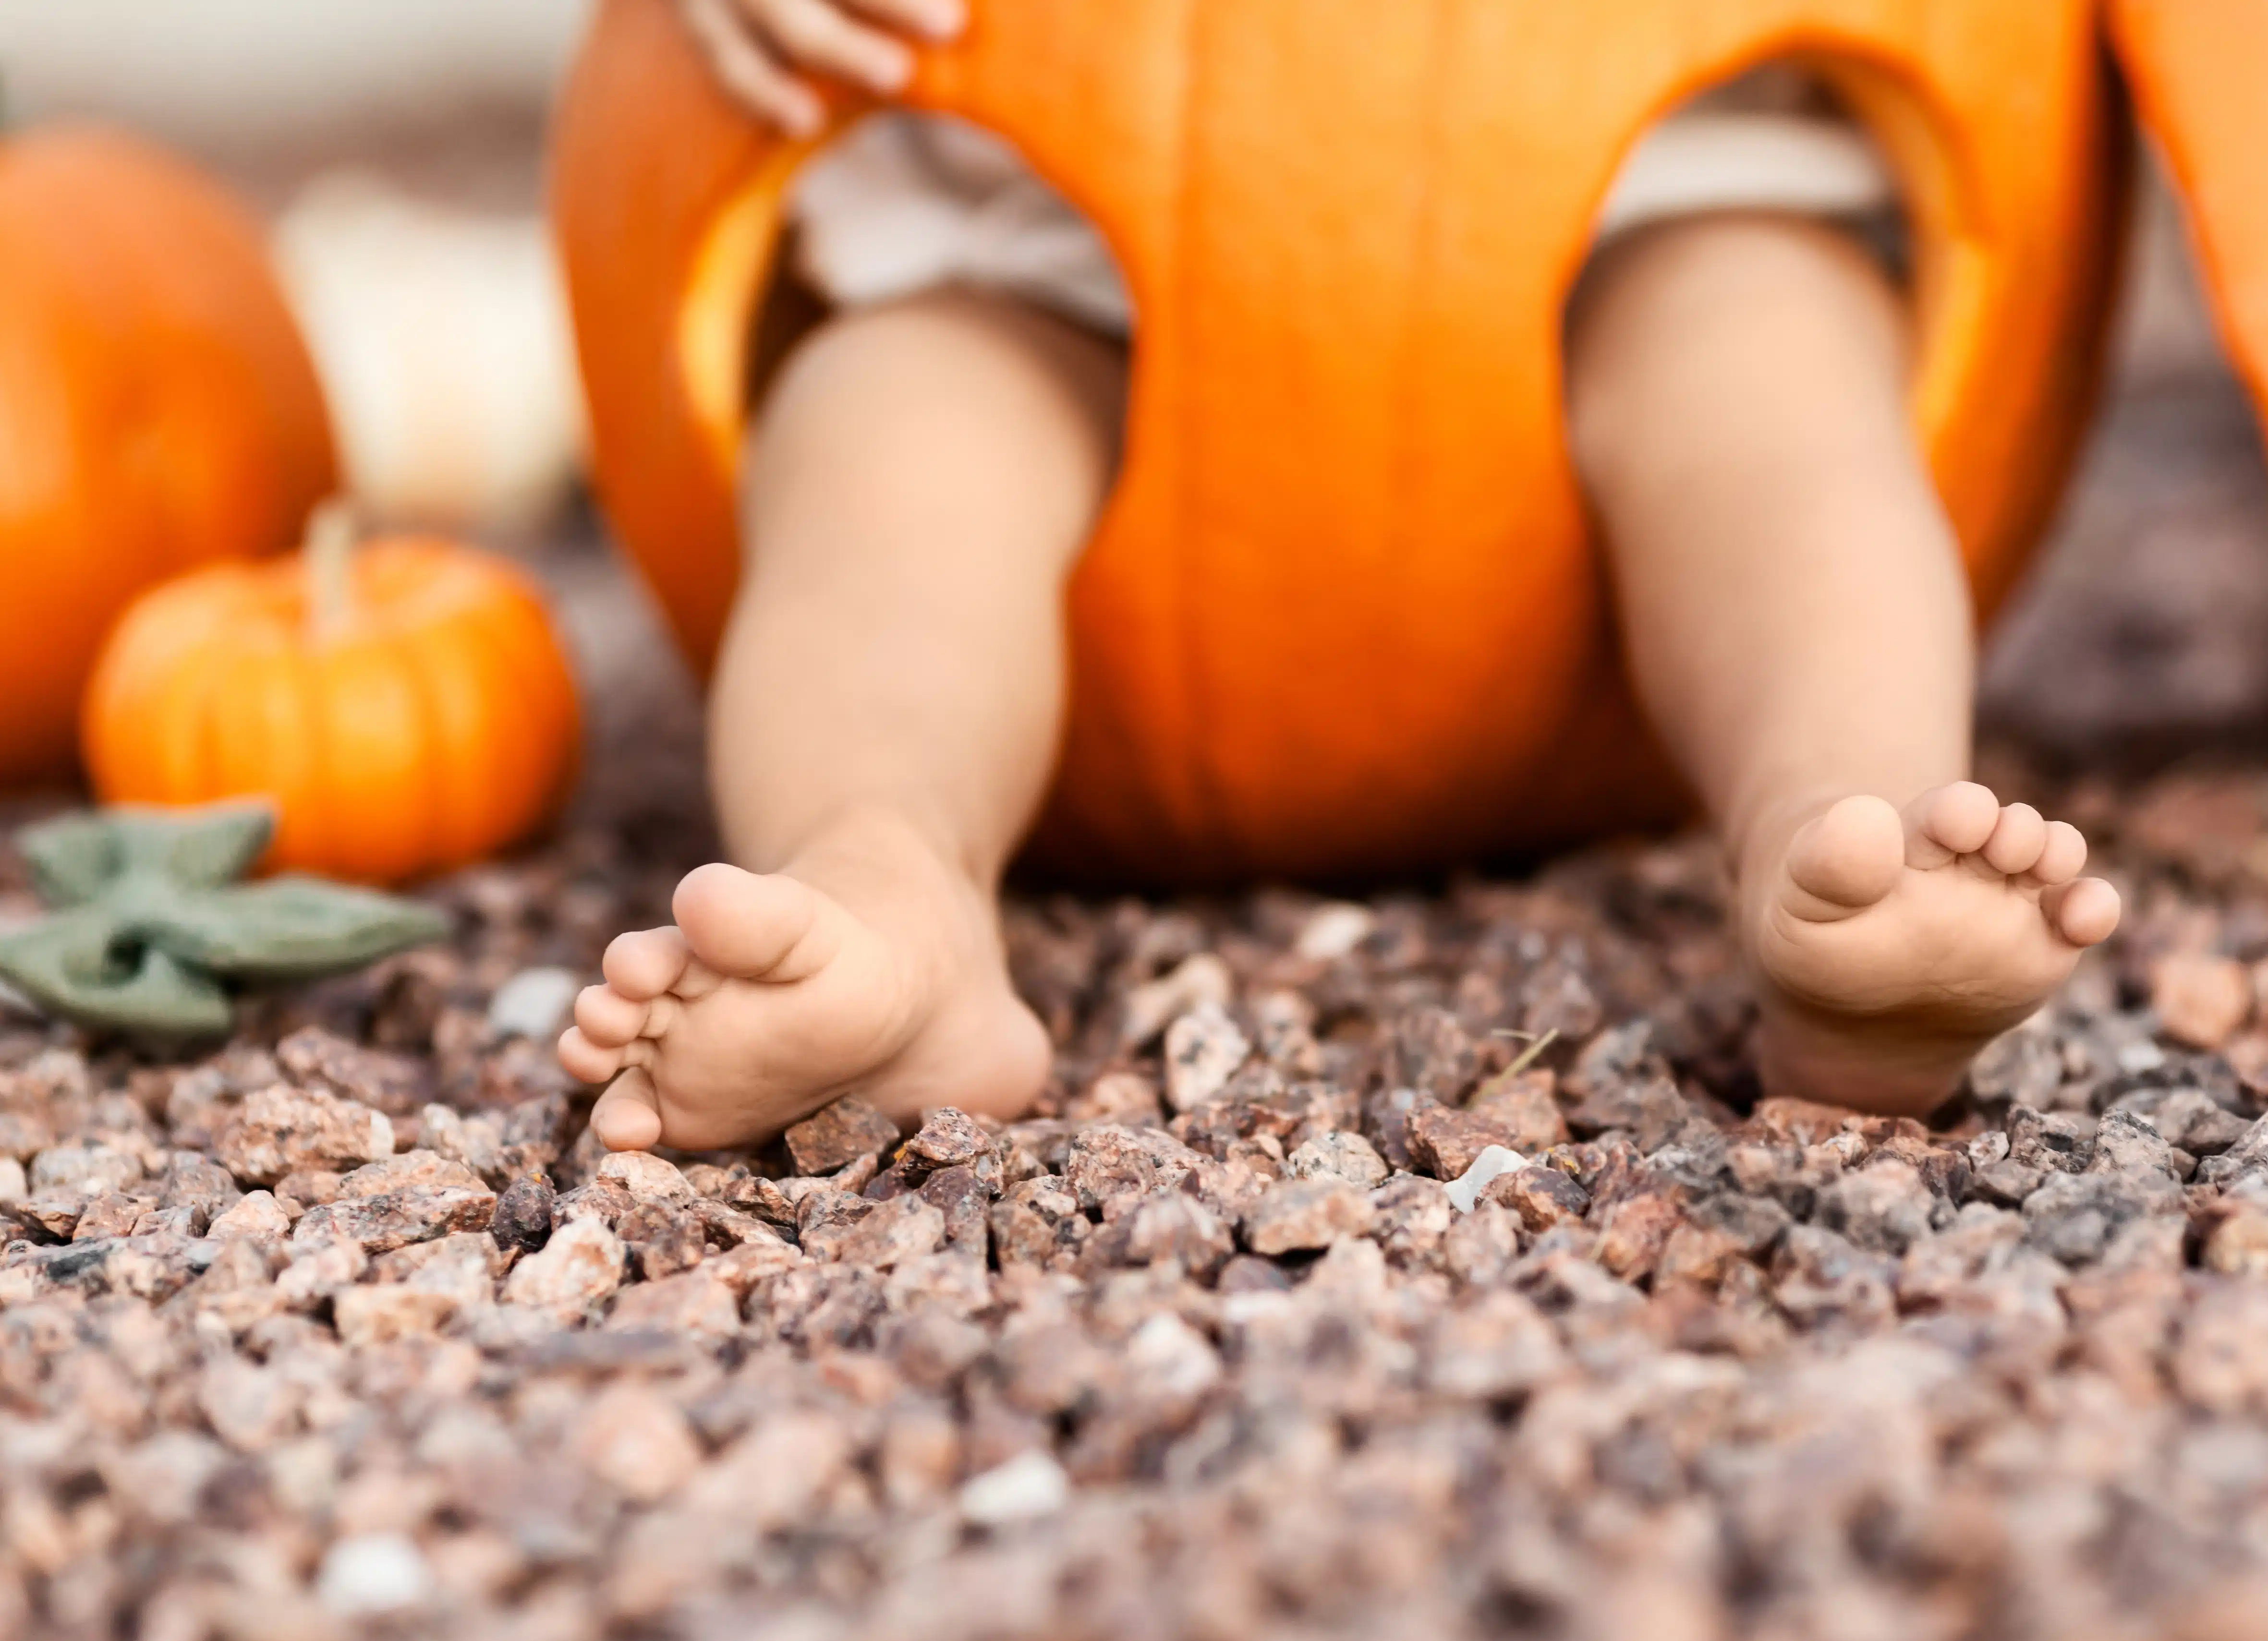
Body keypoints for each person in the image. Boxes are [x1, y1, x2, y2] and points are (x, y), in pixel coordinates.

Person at [559, 0, 2123, 1150]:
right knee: (887, 444)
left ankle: (1845, 851)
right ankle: (883, 892)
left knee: (1768, 383)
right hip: (1024, 219)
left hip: (1645, 167)